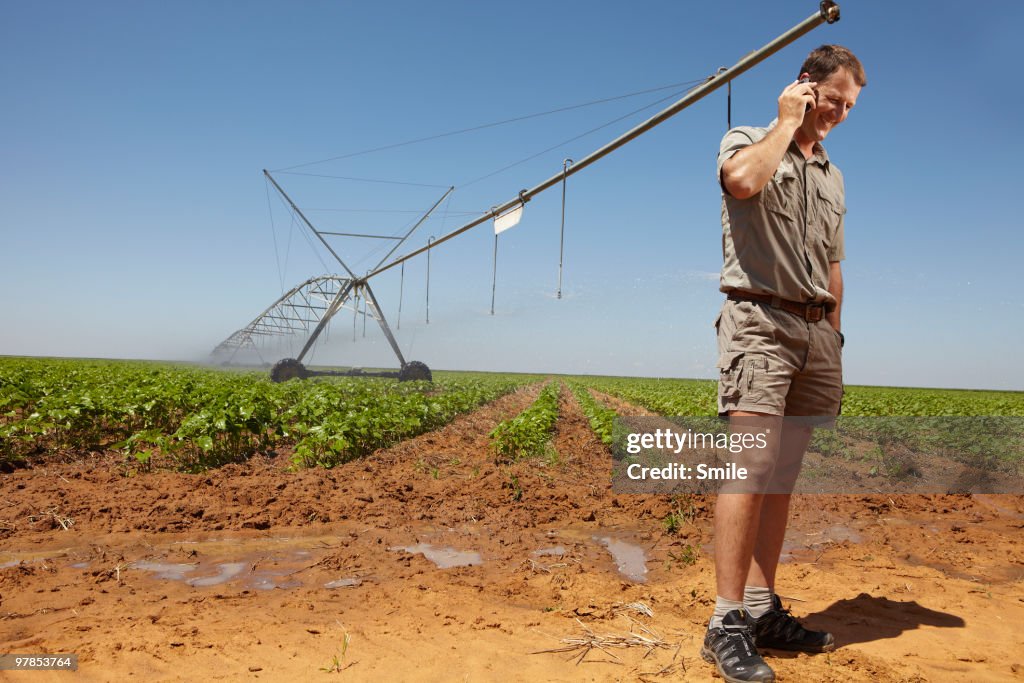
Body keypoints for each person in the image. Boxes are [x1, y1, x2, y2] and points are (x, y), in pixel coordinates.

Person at [701, 44, 866, 683]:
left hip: (815, 333)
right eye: (834, 100)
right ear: (805, 86)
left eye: (850, 106)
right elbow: (743, 182)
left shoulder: (832, 173)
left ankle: (764, 609)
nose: (841, 114)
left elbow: (833, 264)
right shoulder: (749, 138)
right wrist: (785, 122)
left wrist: (835, 338)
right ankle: (725, 621)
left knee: (783, 476)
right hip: (760, 322)